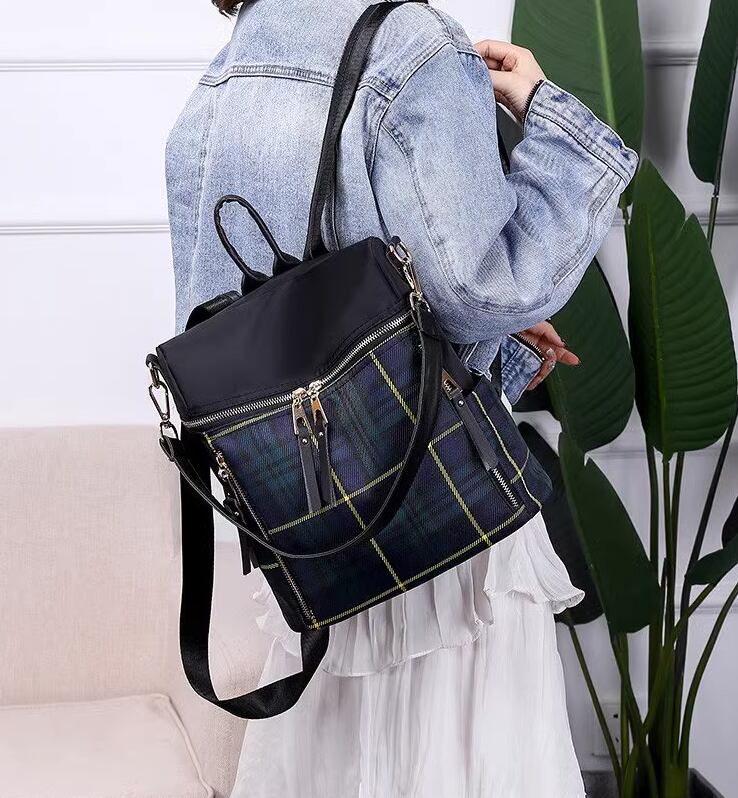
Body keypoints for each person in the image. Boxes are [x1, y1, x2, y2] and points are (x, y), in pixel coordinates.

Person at [165, 1, 638, 795]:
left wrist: (494, 346)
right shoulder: (412, 45)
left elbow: (234, 332)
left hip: (319, 545)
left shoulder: (233, 65)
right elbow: (484, 289)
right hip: (439, 536)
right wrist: (547, 115)